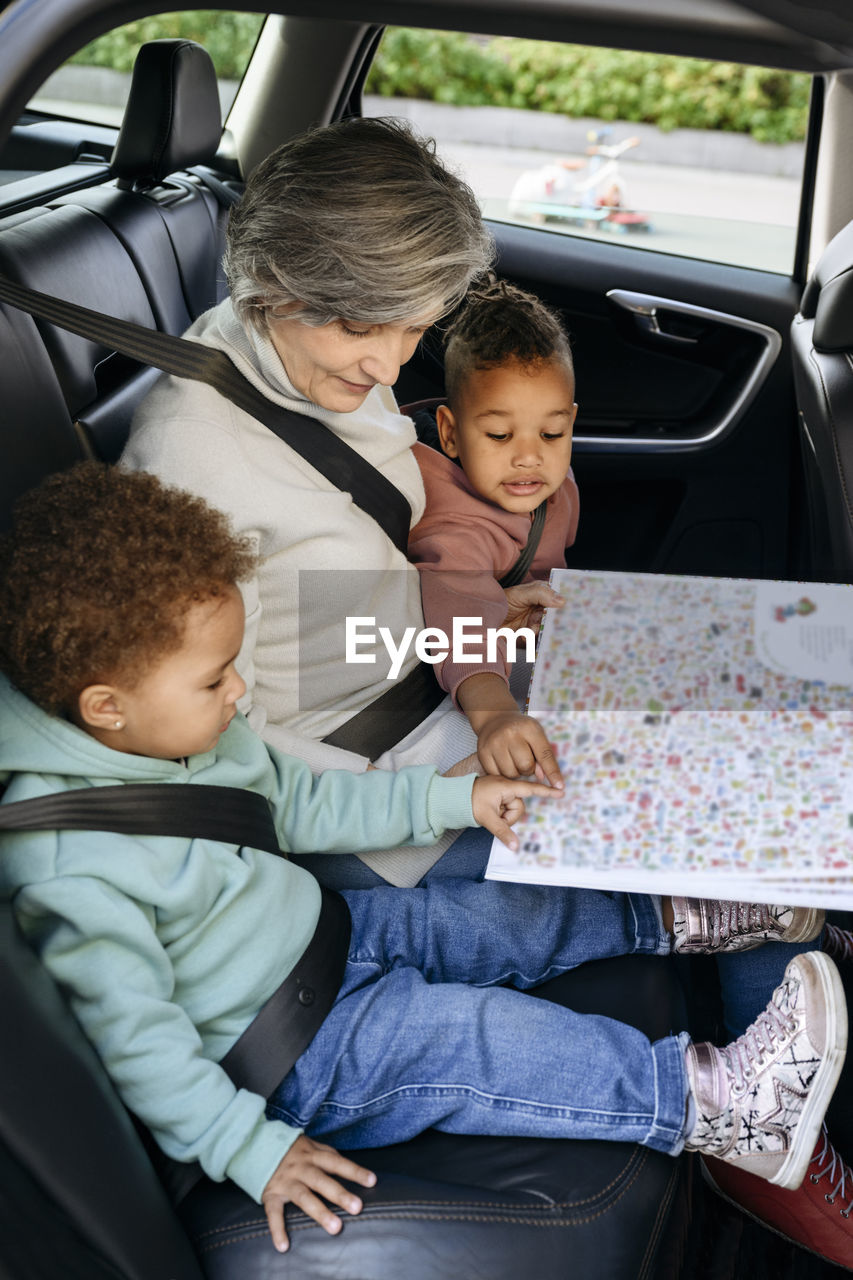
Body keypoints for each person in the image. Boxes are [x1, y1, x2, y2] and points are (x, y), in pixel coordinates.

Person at [0, 464, 846, 1258]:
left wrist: (454, 801)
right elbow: (139, 1044)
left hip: (326, 934)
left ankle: (684, 918)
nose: (238, 693)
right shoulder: (71, 868)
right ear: (106, 707)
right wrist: (248, 1149)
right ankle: (721, 1106)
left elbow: (299, 805)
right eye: (216, 679)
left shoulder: (182, 735)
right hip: (305, 1053)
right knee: (478, 1043)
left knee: (499, 913)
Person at [122, 115, 557, 893]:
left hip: (431, 677)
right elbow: (216, 735)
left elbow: (362, 558)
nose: (389, 363)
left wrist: (479, 611)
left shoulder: (314, 362)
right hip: (364, 780)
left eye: (415, 329)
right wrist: (434, 794)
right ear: (274, 285)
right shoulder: (188, 464)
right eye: (362, 327)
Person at [408, 279, 580, 779]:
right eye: (500, 435)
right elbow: (463, 628)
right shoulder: (452, 525)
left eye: (551, 433)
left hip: (525, 639)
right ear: (450, 433)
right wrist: (496, 716)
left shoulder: (555, 485)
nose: (529, 456)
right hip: (470, 674)